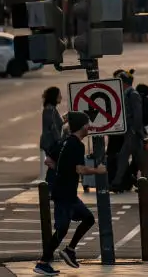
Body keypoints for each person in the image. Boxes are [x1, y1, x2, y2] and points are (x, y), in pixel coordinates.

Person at [34, 111, 105, 276]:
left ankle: (70, 250)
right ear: (82, 126)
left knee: (88, 218)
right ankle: (43, 262)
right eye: (87, 124)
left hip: (67, 192)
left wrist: (62, 169)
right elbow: (79, 168)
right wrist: (98, 170)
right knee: (62, 228)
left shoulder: (65, 142)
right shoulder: (77, 145)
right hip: (64, 194)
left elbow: (48, 160)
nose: (89, 127)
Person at [111, 69, 144, 192]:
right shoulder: (126, 94)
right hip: (129, 133)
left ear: (124, 82)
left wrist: (134, 130)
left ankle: (116, 183)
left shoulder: (133, 95)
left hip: (132, 133)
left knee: (125, 158)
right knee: (139, 160)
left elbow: (137, 115)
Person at [129, 84, 148, 194]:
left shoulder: (139, 103)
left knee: (142, 162)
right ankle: (131, 181)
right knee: (137, 162)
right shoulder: (147, 101)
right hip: (147, 135)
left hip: (140, 135)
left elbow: (138, 120)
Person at [39, 87, 65, 185]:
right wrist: (59, 141)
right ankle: (50, 186)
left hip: (50, 142)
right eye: (59, 95)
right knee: (55, 165)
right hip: (51, 143)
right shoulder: (50, 109)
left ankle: (51, 186)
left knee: (54, 165)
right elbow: (52, 126)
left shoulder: (51, 109)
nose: (61, 97)